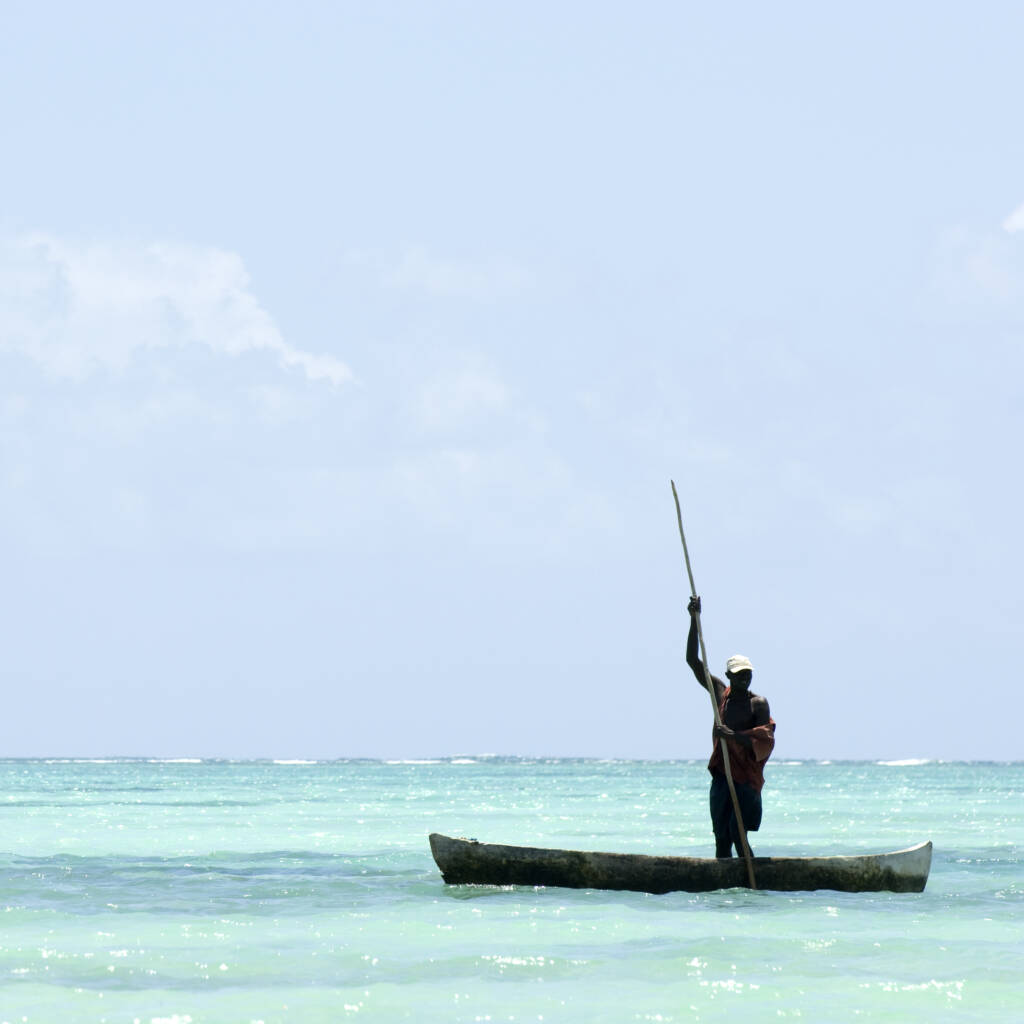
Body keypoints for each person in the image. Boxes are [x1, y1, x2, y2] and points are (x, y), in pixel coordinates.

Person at [686, 595, 776, 858]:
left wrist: (733, 736)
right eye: (738, 675)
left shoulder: (758, 704)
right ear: (728, 676)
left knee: (739, 834)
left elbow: (763, 742)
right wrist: (694, 619)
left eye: (747, 675)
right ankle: (724, 895)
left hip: (746, 779)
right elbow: (693, 660)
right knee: (721, 838)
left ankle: (750, 890)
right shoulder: (719, 693)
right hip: (723, 777)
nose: (744, 680)